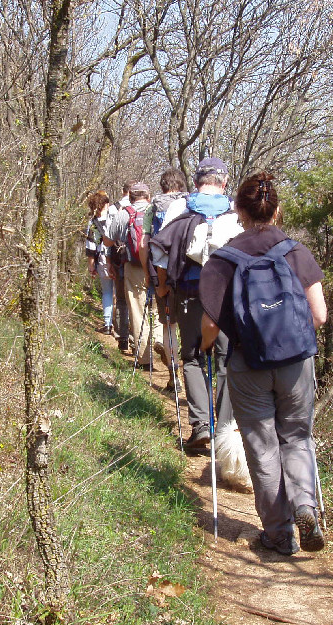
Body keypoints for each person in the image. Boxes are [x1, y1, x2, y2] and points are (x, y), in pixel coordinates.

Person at [198, 170, 328, 556]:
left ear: (239, 210)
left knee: (262, 446)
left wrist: (205, 347)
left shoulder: (223, 261)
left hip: (247, 362)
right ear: (278, 211)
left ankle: (278, 533)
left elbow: (210, 324)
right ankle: (305, 503)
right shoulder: (296, 251)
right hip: (295, 363)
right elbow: (319, 315)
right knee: (297, 437)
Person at [150, 157, 244, 452]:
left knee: (192, 357)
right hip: (227, 295)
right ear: (224, 182)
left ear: (196, 181)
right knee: (225, 359)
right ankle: (226, 431)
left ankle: (202, 425)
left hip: (190, 291)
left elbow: (161, 252)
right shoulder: (234, 210)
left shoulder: (181, 206)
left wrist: (163, 287)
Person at [143, 168, 189, 388]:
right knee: (191, 326)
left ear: (162, 186)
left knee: (169, 326)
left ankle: (174, 376)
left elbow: (145, 245)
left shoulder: (153, 208)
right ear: (181, 185)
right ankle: (195, 375)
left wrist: (148, 275)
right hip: (190, 274)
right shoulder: (192, 204)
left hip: (163, 274)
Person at [104, 182, 155, 362]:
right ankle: (161, 342)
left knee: (137, 308)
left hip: (133, 266)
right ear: (148, 197)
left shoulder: (124, 213)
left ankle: (143, 356)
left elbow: (107, 241)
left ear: (130, 198)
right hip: (157, 266)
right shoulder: (157, 211)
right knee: (156, 309)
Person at [85, 191, 115, 335]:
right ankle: (123, 326)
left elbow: (91, 246)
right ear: (106, 204)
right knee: (120, 294)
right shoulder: (115, 217)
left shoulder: (93, 223)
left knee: (107, 291)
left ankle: (108, 324)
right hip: (117, 258)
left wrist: (91, 265)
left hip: (102, 260)